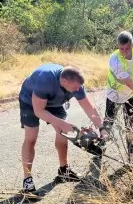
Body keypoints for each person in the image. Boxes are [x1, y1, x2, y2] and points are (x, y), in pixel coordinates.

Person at [18, 63, 109, 193]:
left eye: (79, 87)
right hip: (30, 102)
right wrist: (62, 124)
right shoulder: (46, 79)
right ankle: (27, 180)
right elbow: (39, 111)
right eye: (76, 88)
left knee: (62, 132)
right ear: (64, 81)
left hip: (54, 103)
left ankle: (64, 171)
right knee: (31, 138)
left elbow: (90, 109)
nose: (78, 90)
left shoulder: (76, 85)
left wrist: (101, 128)